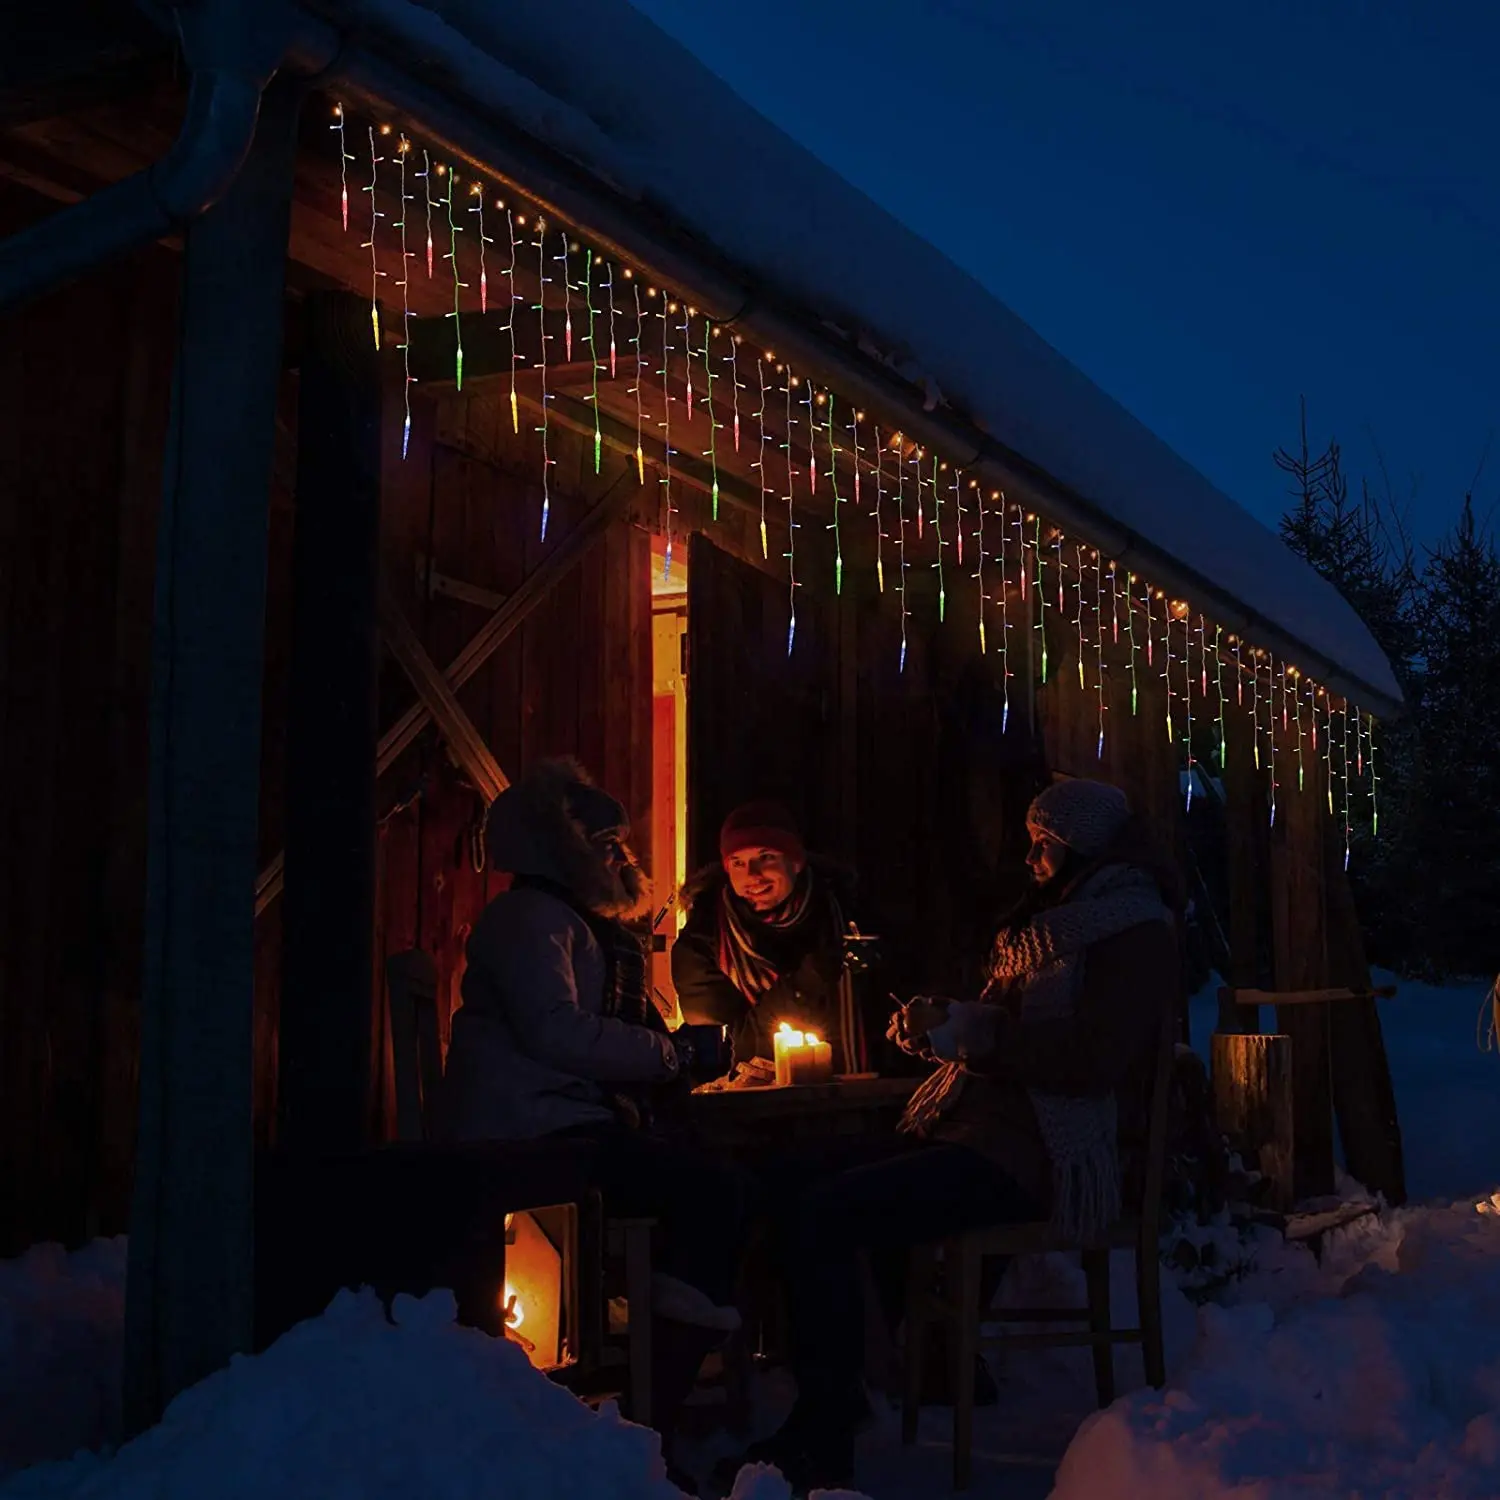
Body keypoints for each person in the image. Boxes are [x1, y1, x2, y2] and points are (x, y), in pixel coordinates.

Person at [747, 777, 1183, 1492]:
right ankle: (862, 1376)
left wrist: (978, 1040)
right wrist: (948, 1024)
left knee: (830, 1212)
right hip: (980, 1131)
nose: (1032, 858)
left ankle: (825, 1431)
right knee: (794, 1174)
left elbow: (1090, 1060)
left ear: (1083, 848)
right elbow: (1013, 1029)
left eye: (1044, 844)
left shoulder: (1131, 932)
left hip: (1041, 1154)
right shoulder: (1058, 925)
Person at [435, 758, 747, 1480]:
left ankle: (656, 1390)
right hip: (529, 1133)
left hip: (552, 1122)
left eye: (621, 845)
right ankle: (653, 1421)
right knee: (713, 1193)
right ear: (562, 847)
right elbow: (558, 1033)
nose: (621, 858)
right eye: (606, 846)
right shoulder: (530, 919)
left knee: (706, 1180)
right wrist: (668, 1056)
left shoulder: (561, 922)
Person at [672, 802, 873, 1079]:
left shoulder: (850, 915)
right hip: (760, 1105)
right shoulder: (702, 942)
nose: (752, 875)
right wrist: (807, 983)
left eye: (766, 857)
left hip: (863, 1095)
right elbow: (727, 1050)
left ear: (796, 862)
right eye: (738, 863)